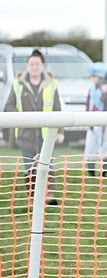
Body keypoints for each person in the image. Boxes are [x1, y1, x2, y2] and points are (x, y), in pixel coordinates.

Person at [3, 49, 64, 190]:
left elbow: (57, 109)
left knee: (48, 166)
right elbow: (8, 106)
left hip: (46, 134)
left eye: (37, 64)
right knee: (29, 168)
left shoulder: (52, 84)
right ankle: (32, 195)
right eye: (31, 64)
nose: (34, 67)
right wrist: (22, 117)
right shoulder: (18, 84)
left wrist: (60, 131)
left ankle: (49, 196)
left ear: (42, 65)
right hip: (25, 134)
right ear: (27, 66)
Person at [84, 62, 107, 177]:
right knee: (90, 145)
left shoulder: (106, 89)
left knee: (104, 146)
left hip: (104, 123)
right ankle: (91, 172)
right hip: (91, 121)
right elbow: (88, 105)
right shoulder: (91, 90)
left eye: (94, 76)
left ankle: (103, 172)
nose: (92, 78)